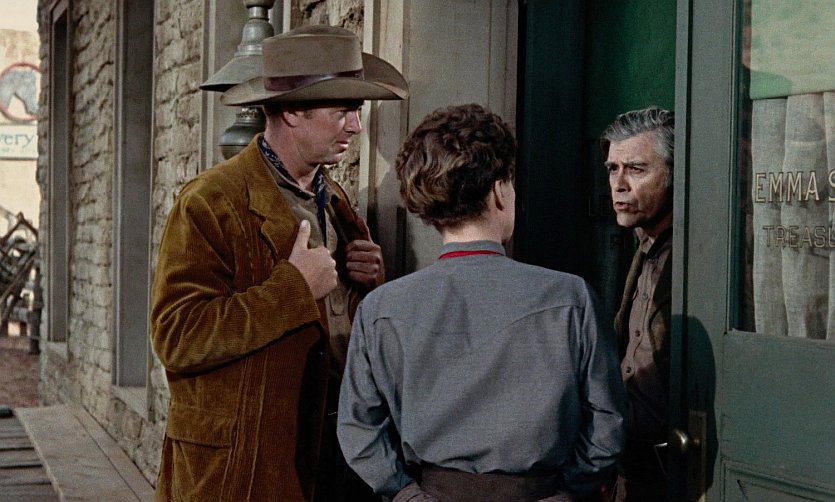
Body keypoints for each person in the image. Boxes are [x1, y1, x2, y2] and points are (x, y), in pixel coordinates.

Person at [150, 25, 408, 501]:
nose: (355, 126)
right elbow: (178, 337)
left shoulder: (335, 201)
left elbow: (334, 333)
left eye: (357, 111)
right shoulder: (210, 202)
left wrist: (368, 285)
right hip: (244, 466)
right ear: (290, 111)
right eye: (342, 112)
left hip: (331, 456)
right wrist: (293, 288)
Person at [337, 103, 625, 502]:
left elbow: (358, 428)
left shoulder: (381, 309)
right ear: (499, 191)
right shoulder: (571, 298)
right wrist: (570, 491)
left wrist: (405, 494)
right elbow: (607, 423)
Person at [601, 107, 674, 502]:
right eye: (613, 169)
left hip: (674, 467)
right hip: (630, 468)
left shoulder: (694, 252)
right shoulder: (643, 245)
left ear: (674, 174)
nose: (619, 185)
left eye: (636, 169)